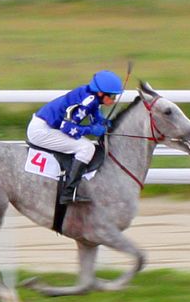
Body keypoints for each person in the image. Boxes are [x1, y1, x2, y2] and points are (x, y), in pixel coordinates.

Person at [27, 70, 124, 203]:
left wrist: (103, 123)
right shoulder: (88, 101)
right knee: (87, 147)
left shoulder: (91, 97)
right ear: (101, 93)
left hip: (46, 125)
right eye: (112, 96)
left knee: (85, 144)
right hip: (41, 131)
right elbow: (66, 128)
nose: (113, 100)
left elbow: (95, 117)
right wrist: (91, 130)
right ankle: (69, 192)